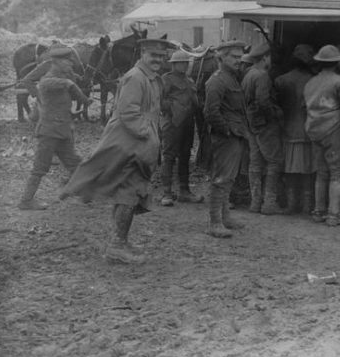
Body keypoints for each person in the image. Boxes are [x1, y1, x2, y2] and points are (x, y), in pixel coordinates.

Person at [60, 38, 176, 264]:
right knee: (129, 192)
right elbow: (129, 114)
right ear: (142, 54)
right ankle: (117, 245)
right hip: (129, 143)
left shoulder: (150, 79)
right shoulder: (136, 77)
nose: (158, 60)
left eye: (162, 57)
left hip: (137, 142)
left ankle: (119, 240)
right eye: (154, 55)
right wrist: (149, 136)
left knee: (129, 191)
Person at [18, 47, 92, 210]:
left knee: (74, 162)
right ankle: (26, 200)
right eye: (67, 61)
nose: (70, 64)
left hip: (62, 131)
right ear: (57, 62)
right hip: (49, 132)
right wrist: (82, 97)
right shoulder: (48, 80)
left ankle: (85, 193)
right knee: (40, 167)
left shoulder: (63, 78)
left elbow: (70, 87)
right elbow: (49, 85)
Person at [303, 45, 340, 226]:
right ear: (336, 62)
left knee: (321, 172)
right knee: (336, 172)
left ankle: (318, 211)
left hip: (313, 129)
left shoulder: (310, 82)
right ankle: (333, 214)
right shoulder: (338, 81)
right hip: (333, 129)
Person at [203, 40, 251, 237]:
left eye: (240, 57)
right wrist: (227, 131)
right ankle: (215, 223)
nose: (239, 61)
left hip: (236, 134)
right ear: (222, 57)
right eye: (234, 57)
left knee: (228, 178)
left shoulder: (231, 78)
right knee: (221, 179)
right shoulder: (217, 80)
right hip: (226, 137)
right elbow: (210, 112)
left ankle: (225, 217)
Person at [241, 41, 286, 215]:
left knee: (256, 163)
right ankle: (269, 203)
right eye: (270, 57)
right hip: (264, 125)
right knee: (274, 161)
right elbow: (263, 101)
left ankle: (255, 202)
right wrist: (275, 116)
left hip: (251, 124)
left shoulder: (248, 74)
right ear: (265, 57)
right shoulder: (262, 76)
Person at [274, 44, 316, 215]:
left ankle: (292, 205)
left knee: (290, 169)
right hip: (310, 131)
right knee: (308, 169)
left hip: (288, 130)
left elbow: (276, 107)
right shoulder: (315, 80)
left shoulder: (281, 80)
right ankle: (307, 205)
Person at [159, 49, 203, 206]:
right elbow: (159, 100)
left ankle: (184, 191)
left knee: (185, 156)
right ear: (174, 64)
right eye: (181, 63)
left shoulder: (190, 80)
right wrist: (173, 108)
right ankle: (166, 193)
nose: (184, 66)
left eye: (186, 63)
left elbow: (195, 101)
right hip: (172, 123)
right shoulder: (166, 79)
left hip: (188, 123)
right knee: (169, 156)